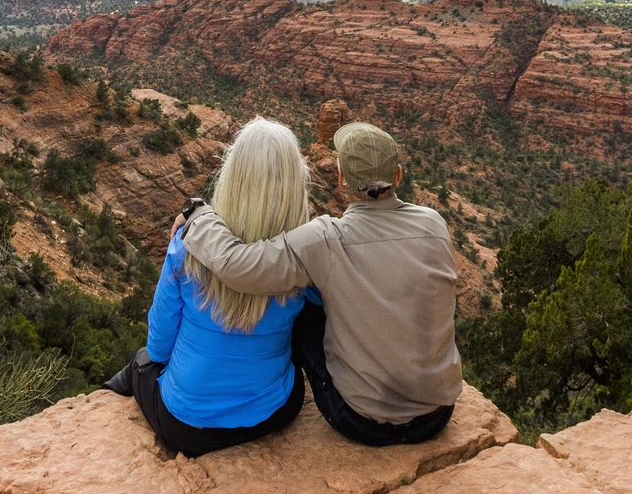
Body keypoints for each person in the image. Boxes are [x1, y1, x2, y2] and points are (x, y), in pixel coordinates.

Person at [180, 120, 461, 446]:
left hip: (361, 421)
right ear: (398, 175)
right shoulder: (434, 224)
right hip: (438, 413)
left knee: (303, 309)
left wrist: (196, 213)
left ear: (341, 179)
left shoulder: (326, 240)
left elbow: (237, 265)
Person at [102, 117, 319, 456]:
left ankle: (121, 382)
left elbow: (159, 349)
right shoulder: (306, 261)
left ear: (231, 176)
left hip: (189, 427)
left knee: (142, 362)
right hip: (274, 412)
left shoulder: (186, 249)